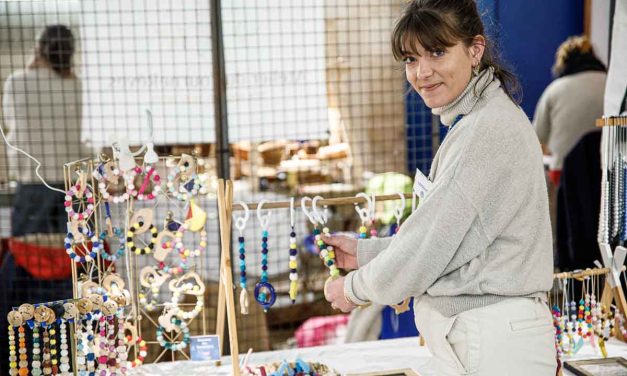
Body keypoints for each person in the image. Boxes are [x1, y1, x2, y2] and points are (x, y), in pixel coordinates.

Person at [323, 1, 556, 375]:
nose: (422, 72)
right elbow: (453, 240)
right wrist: (367, 254)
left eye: (437, 52)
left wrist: (354, 288)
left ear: (475, 50)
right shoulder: (477, 121)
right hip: (488, 338)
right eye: (411, 59)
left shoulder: (487, 129)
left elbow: (430, 244)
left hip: (494, 343)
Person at [0, 25, 89, 373]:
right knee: (69, 264)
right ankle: (68, 346)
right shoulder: (74, 83)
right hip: (69, 185)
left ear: (38, 48)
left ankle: (30, 347)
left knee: (28, 264)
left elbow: (12, 128)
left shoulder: (16, 82)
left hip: (33, 184)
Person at [533, 35, 606, 186]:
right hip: (607, 173)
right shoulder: (611, 88)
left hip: (564, 174)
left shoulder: (555, 90)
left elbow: (537, 140)